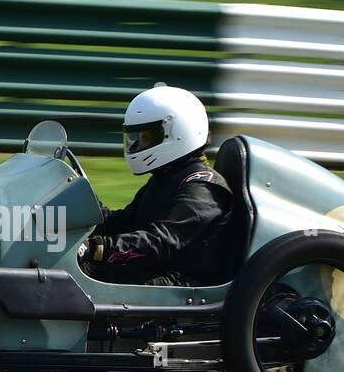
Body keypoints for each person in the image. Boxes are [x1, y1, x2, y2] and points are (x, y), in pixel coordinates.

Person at [78, 86, 233, 287]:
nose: (138, 146)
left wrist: (96, 249)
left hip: (183, 285)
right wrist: (82, 205)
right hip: (157, 270)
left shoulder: (203, 188)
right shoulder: (166, 178)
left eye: (147, 138)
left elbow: (159, 242)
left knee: (82, 282)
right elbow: (123, 223)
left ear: (177, 133)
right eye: (138, 138)